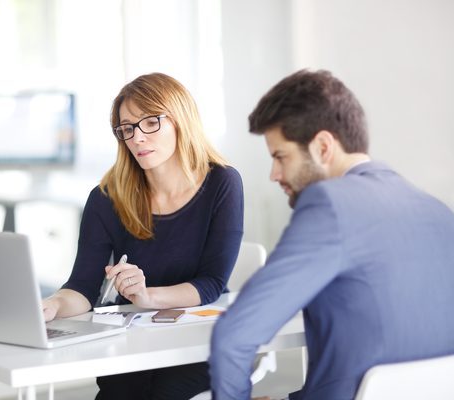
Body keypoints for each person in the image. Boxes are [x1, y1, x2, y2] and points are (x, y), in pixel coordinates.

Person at [209, 69, 454, 400]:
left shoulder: (330, 202)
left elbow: (233, 337)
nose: (274, 174)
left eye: (281, 156)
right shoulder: (437, 210)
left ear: (323, 147)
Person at [42, 72, 244, 399]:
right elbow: (83, 287)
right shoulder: (107, 197)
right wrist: (53, 305)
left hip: (199, 338)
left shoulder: (222, 183)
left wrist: (148, 297)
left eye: (150, 123)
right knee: (117, 393)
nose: (137, 138)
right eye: (127, 128)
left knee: (165, 393)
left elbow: (212, 283)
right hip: (135, 339)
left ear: (180, 120)